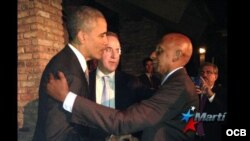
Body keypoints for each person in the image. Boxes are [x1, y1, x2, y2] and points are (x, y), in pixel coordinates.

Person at [46, 33, 199, 141]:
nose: (152, 55)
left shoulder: (138, 83)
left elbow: (127, 120)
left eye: (118, 50)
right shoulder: (82, 79)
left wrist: (67, 98)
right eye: (108, 50)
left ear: (177, 55)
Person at [32, 6, 108, 141]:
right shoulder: (67, 71)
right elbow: (57, 135)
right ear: (83, 36)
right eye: (102, 35)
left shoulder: (73, 63)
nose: (106, 41)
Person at [87, 31, 141, 141]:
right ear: (99, 51)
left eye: (118, 50)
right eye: (108, 49)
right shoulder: (84, 81)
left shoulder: (131, 82)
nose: (114, 56)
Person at [195, 62, 227, 141]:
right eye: (202, 72)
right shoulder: (194, 91)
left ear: (215, 76)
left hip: (212, 136)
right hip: (193, 136)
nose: (204, 75)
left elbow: (223, 111)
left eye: (208, 72)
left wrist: (210, 95)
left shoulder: (223, 92)